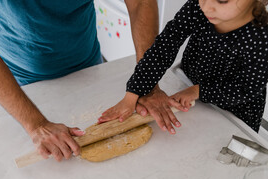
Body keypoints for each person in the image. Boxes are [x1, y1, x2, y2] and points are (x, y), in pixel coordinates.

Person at [0, 0, 159, 161]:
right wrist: (35, 124)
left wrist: (147, 81)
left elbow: (140, 3)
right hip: (18, 80)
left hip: (88, 63)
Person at [98, 0, 268, 133]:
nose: (207, 7)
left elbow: (248, 88)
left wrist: (199, 91)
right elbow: (165, 46)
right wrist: (132, 94)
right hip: (188, 83)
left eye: (222, 0)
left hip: (236, 110)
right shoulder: (197, 6)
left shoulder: (261, 39)